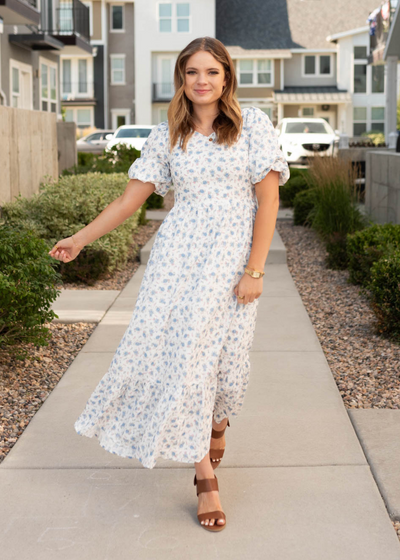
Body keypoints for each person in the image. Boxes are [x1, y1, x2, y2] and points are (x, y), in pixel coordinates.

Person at [48, 36, 290, 532]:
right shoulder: (167, 136)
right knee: (186, 362)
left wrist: (255, 270)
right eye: (192, 72)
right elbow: (128, 201)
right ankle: (204, 477)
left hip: (231, 259)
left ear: (226, 78)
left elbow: (267, 203)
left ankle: (217, 423)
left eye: (212, 72)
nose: (202, 81)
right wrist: (80, 238)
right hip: (178, 260)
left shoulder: (253, 128)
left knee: (229, 367)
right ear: (181, 78)